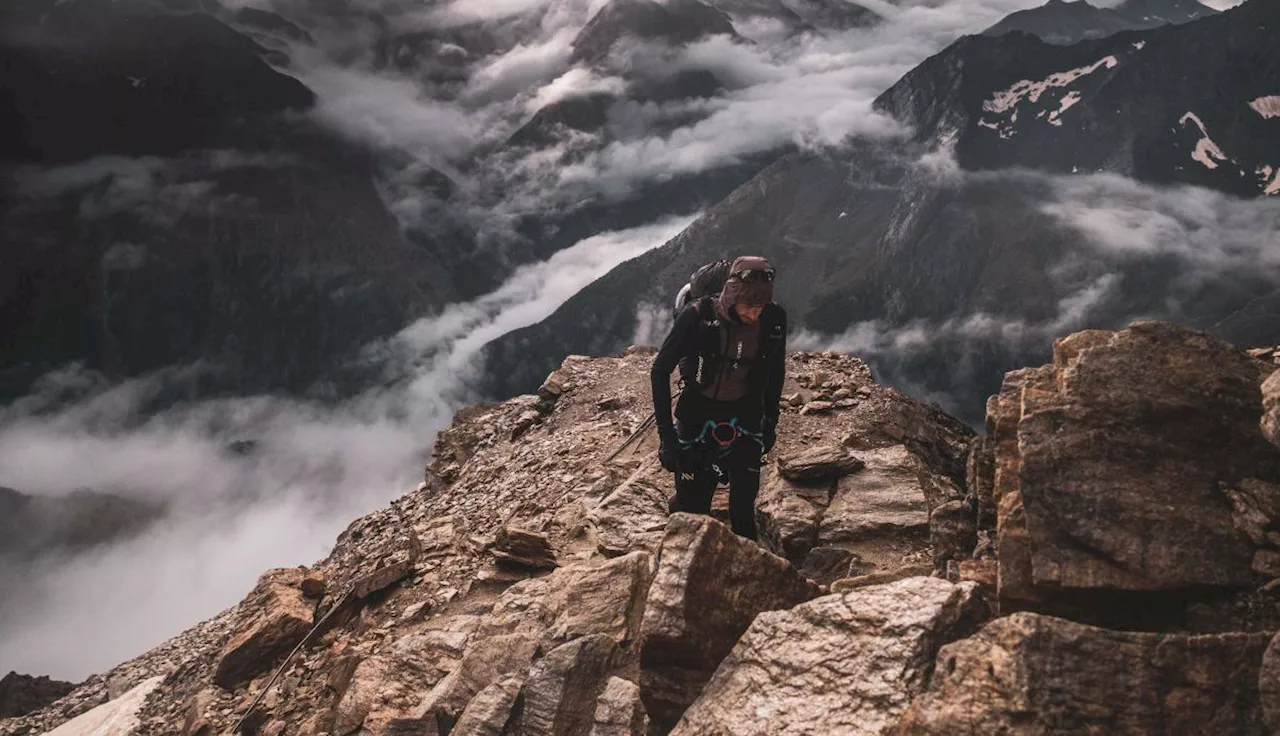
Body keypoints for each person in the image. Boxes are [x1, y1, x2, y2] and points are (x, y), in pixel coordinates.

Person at [650, 256, 786, 539]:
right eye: (749, 306)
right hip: (697, 415)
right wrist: (667, 437)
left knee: (744, 514)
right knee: (693, 516)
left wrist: (770, 420)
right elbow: (660, 369)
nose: (754, 314)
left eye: (760, 307)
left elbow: (775, 372)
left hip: (746, 415)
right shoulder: (697, 316)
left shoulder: (773, 319)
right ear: (731, 296)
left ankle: (748, 574)